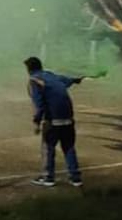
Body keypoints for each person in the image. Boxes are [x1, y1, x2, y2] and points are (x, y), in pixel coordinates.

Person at [24, 56, 84, 188]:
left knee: (48, 148)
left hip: (53, 120)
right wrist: (76, 79)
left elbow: (39, 104)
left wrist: (36, 122)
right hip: (68, 118)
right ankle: (76, 178)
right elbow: (67, 80)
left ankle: (48, 177)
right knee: (69, 148)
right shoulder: (51, 75)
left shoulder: (34, 80)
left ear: (29, 69)